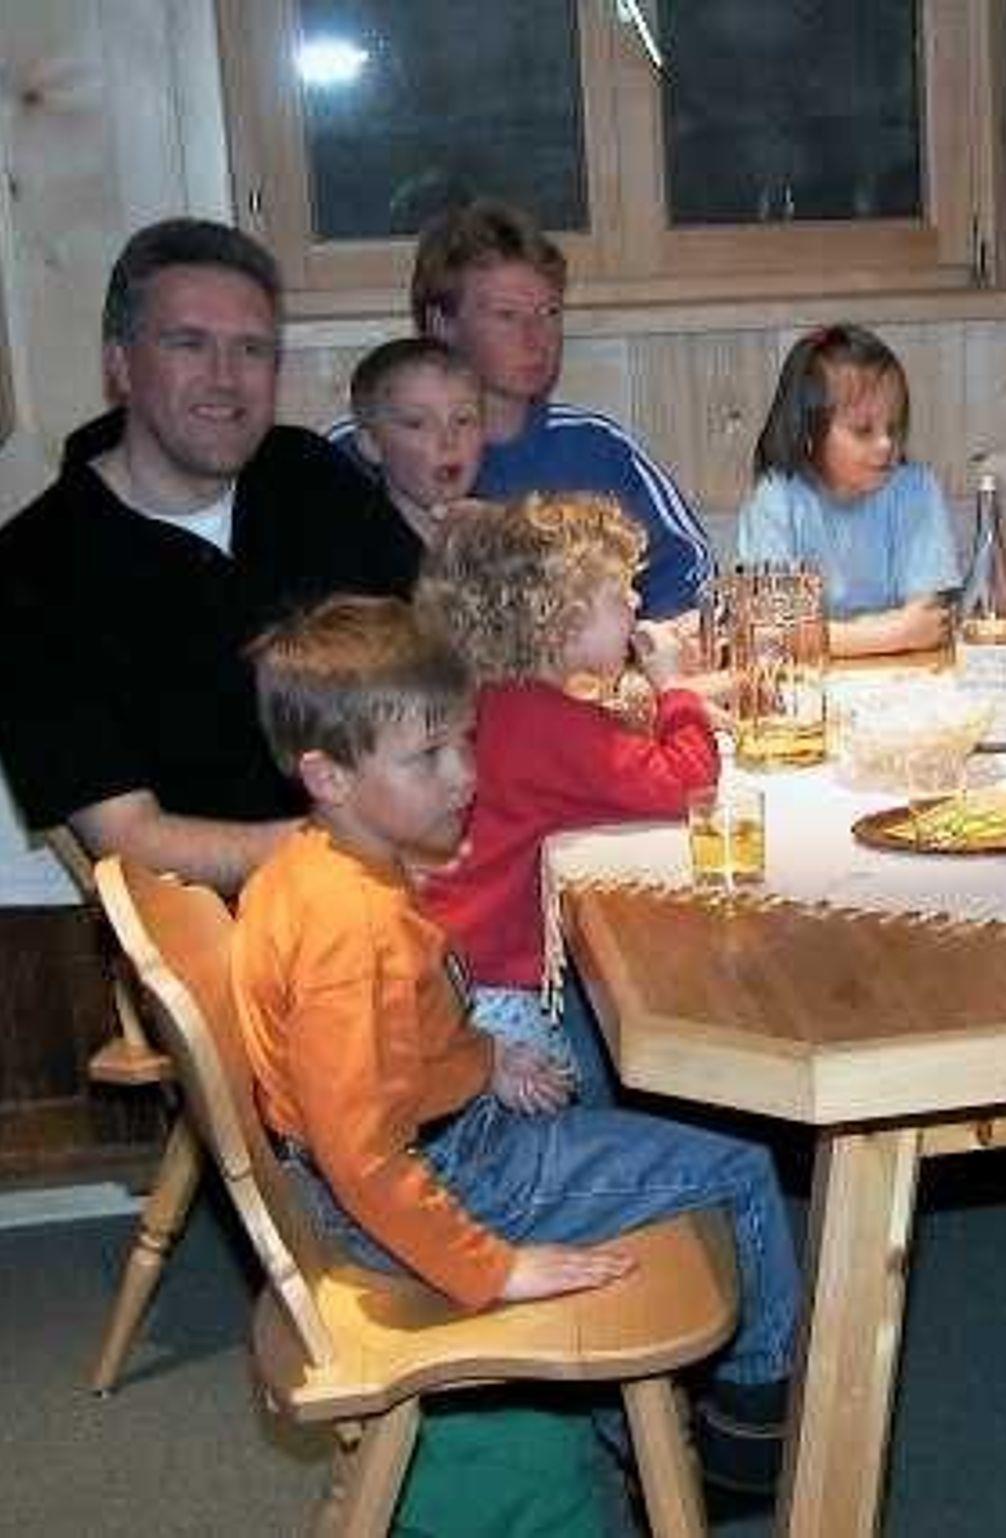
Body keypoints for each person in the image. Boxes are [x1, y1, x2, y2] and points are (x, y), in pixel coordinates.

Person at [235, 595, 799, 1492]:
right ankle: (751, 1434)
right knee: (740, 1166)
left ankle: (625, 1424)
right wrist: (492, 1269)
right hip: (439, 1185)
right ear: (328, 776)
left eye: (465, 741)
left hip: (435, 1146)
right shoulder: (351, 931)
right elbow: (361, 1153)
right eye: (427, 757)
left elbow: (401, 1041)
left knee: (604, 1100)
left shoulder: (315, 868)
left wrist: (486, 1061)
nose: (464, 774)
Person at [0, 218, 415, 894]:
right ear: (120, 365)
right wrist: (353, 846)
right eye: (189, 344)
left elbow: (447, 649)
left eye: (251, 349)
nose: (225, 379)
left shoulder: (310, 475)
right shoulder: (32, 569)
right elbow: (130, 839)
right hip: (228, 929)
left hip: (413, 879)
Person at [412, 492, 722, 1089]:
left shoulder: (504, 696)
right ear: (561, 620)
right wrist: (674, 688)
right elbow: (688, 783)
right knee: (594, 1077)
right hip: (494, 995)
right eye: (620, 593)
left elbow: (592, 768)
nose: (637, 602)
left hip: (454, 965)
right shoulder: (546, 721)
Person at [328, 199, 714, 619]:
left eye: (549, 313)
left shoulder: (594, 447)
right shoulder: (352, 456)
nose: (536, 337)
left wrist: (629, 638)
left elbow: (693, 574)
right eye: (507, 315)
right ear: (442, 324)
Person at [734, 324, 960, 657]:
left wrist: (821, 636)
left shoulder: (917, 489)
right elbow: (769, 636)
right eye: (863, 430)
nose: (885, 444)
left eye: (894, 427)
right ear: (809, 432)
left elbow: (931, 622)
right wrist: (892, 632)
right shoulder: (776, 499)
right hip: (810, 683)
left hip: (906, 675)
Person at [348, 336, 486, 558]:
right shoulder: (351, 552)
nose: (449, 441)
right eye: (417, 423)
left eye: (463, 420)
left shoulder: (506, 538)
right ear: (371, 444)